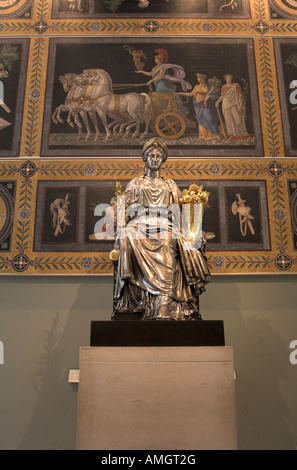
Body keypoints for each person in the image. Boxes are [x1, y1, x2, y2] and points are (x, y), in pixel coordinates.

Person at [112, 137, 210, 320]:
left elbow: (178, 214)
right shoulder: (135, 184)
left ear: (163, 160)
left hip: (165, 224)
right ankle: (134, 300)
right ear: (145, 158)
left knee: (166, 241)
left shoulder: (170, 185)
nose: (155, 159)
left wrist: (190, 231)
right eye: (151, 155)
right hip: (139, 223)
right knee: (128, 236)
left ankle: (163, 301)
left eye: (158, 156)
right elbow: (128, 212)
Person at [135, 48, 192, 117]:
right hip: (157, 84)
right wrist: (142, 71)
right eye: (155, 59)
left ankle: (165, 112)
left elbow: (160, 77)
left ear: (160, 59)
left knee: (161, 98)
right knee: (159, 98)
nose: (155, 60)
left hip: (162, 84)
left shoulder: (163, 67)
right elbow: (150, 74)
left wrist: (151, 81)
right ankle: (162, 112)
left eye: (156, 59)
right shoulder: (155, 67)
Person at [178, 72, 221, 141]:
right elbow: (191, 94)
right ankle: (202, 135)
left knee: (210, 119)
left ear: (202, 79)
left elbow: (215, 94)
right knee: (200, 120)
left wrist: (209, 96)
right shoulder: (197, 87)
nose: (197, 79)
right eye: (197, 77)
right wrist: (182, 93)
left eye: (198, 78)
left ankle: (215, 134)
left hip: (208, 106)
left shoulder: (209, 86)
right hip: (198, 106)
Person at [215, 74, 251, 140]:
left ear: (231, 79)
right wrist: (217, 101)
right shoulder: (223, 87)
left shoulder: (235, 86)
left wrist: (240, 106)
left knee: (238, 120)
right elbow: (222, 96)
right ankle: (231, 135)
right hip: (226, 105)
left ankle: (242, 134)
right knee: (228, 120)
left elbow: (240, 96)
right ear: (225, 79)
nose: (228, 79)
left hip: (234, 104)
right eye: (227, 78)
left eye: (229, 78)